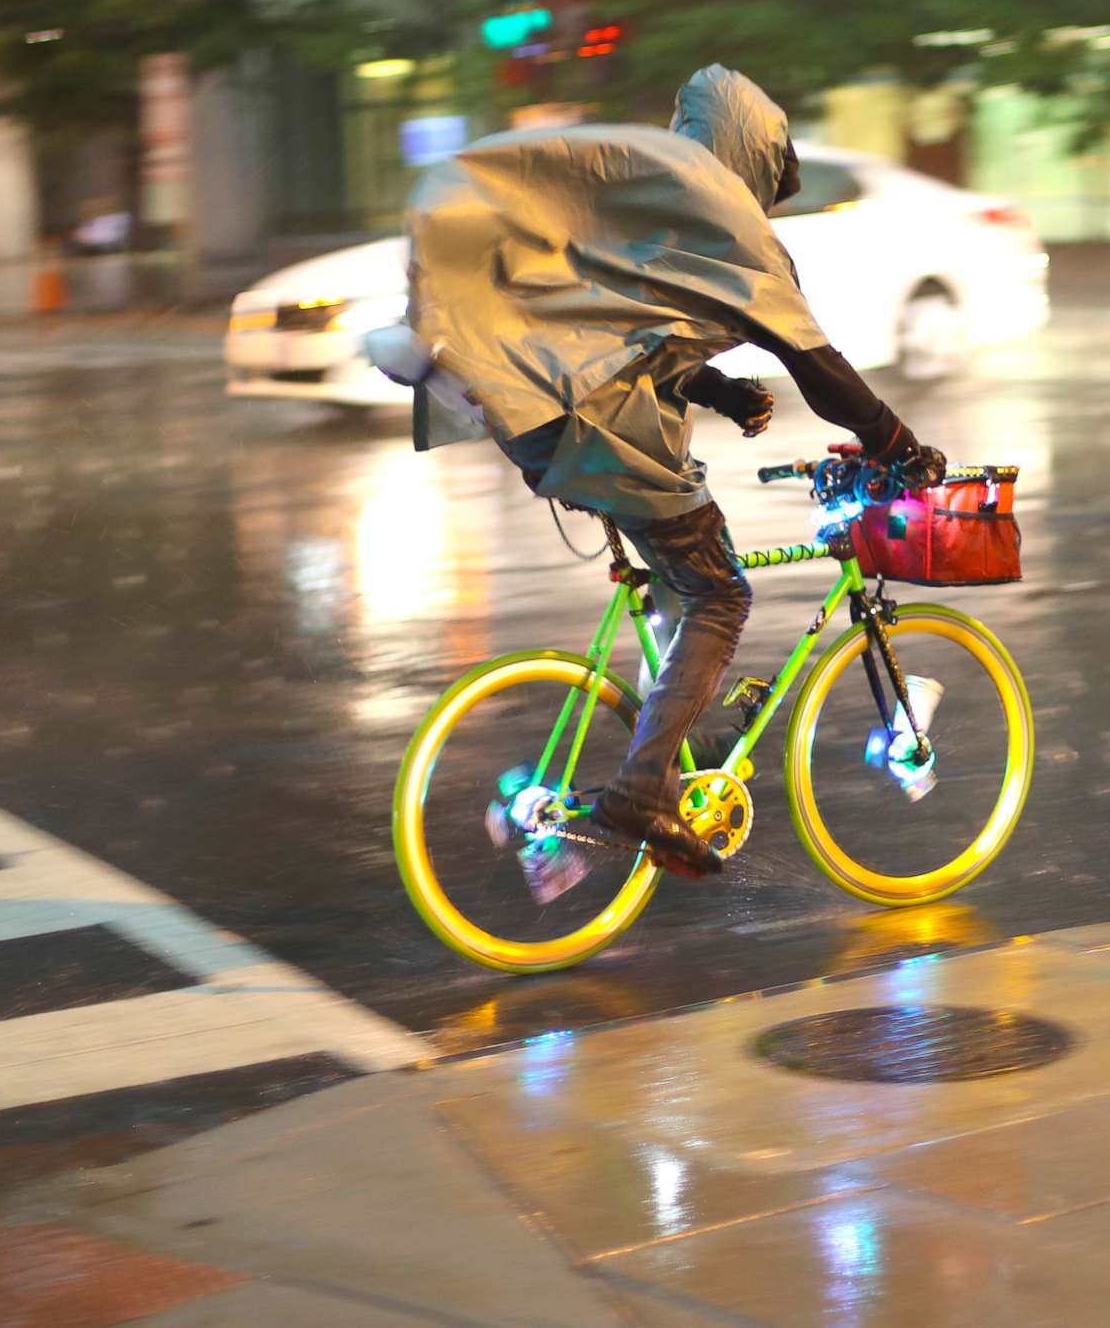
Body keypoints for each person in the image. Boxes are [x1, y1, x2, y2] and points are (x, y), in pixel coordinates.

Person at [383, 66, 941, 881]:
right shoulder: (716, 205)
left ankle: (680, 753)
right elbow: (813, 359)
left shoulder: (651, 193)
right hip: (592, 427)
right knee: (723, 593)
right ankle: (642, 790)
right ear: (751, 152)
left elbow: (617, 323)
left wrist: (714, 387)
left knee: (686, 581)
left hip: (549, 419)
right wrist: (894, 441)